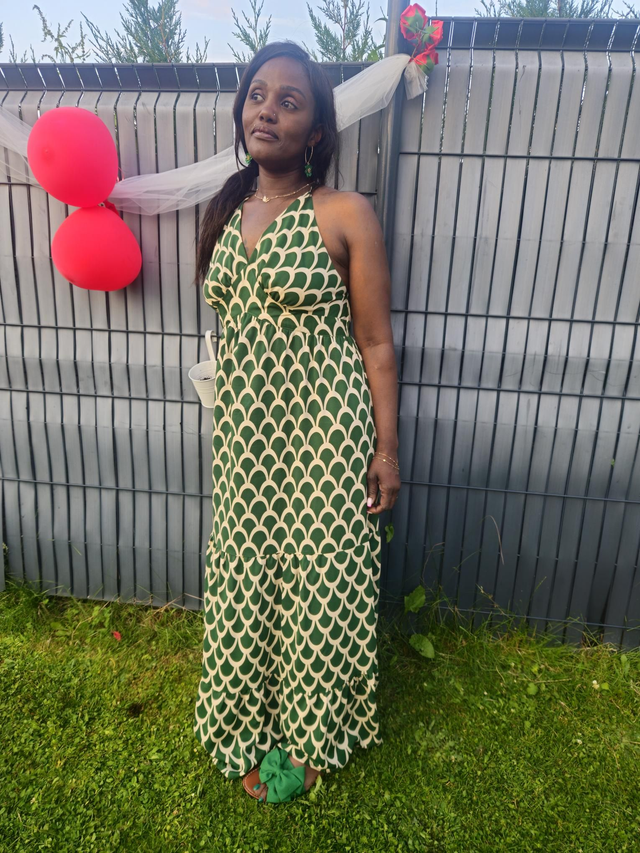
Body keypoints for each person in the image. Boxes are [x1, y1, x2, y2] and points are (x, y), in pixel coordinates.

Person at [192, 40, 401, 805]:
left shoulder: (345, 213)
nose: (267, 110)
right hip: (246, 433)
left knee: (320, 578)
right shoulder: (224, 210)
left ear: (315, 130)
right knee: (243, 574)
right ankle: (241, 721)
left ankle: (312, 732)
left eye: (289, 100)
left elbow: (375, 341)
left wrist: (386, 450)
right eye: (257, 95)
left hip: (326, 430)